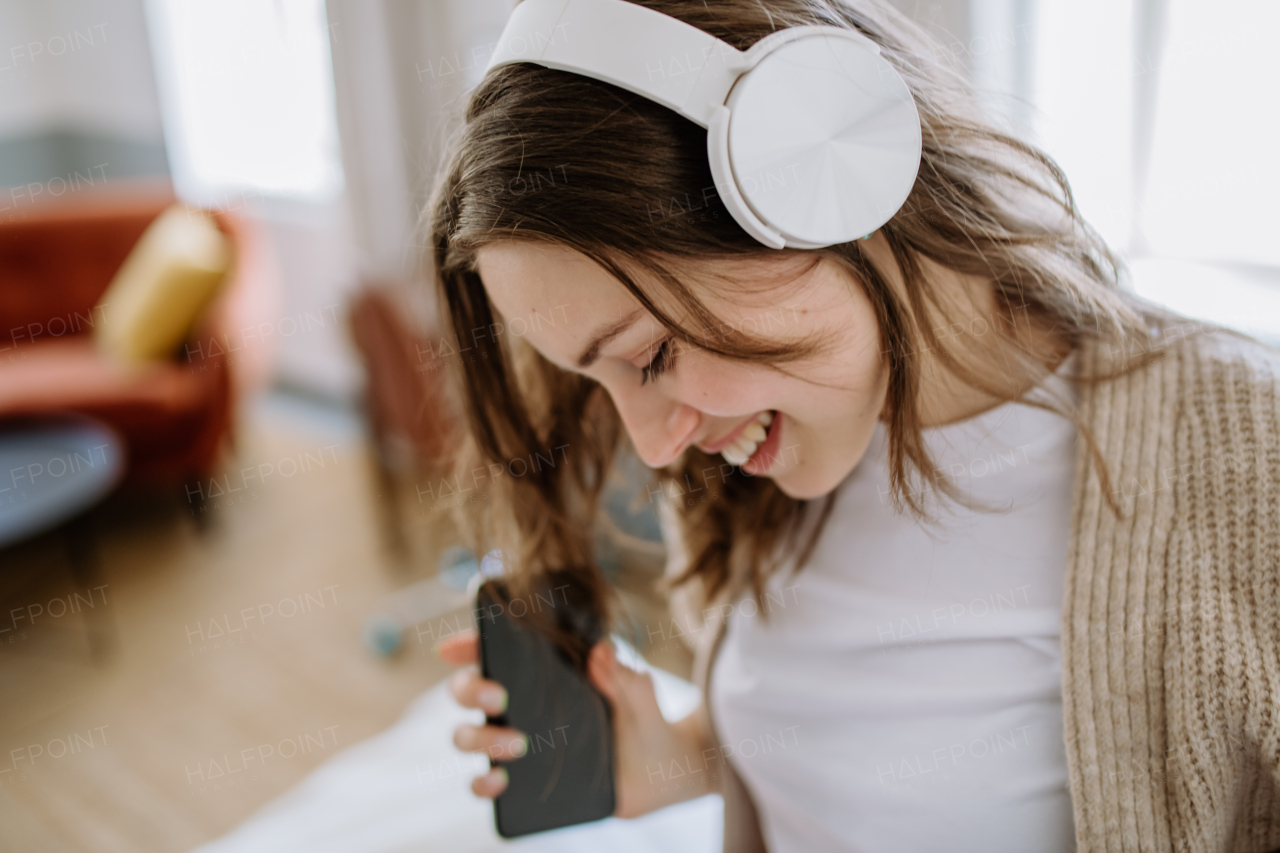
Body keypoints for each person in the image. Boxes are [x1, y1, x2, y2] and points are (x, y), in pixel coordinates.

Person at [427, 1, 1280, 850]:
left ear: (819, 171)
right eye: (599, 378)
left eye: (651, 355)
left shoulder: (1245, 460)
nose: (656, 444)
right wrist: (682, 759)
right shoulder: (746, 466)